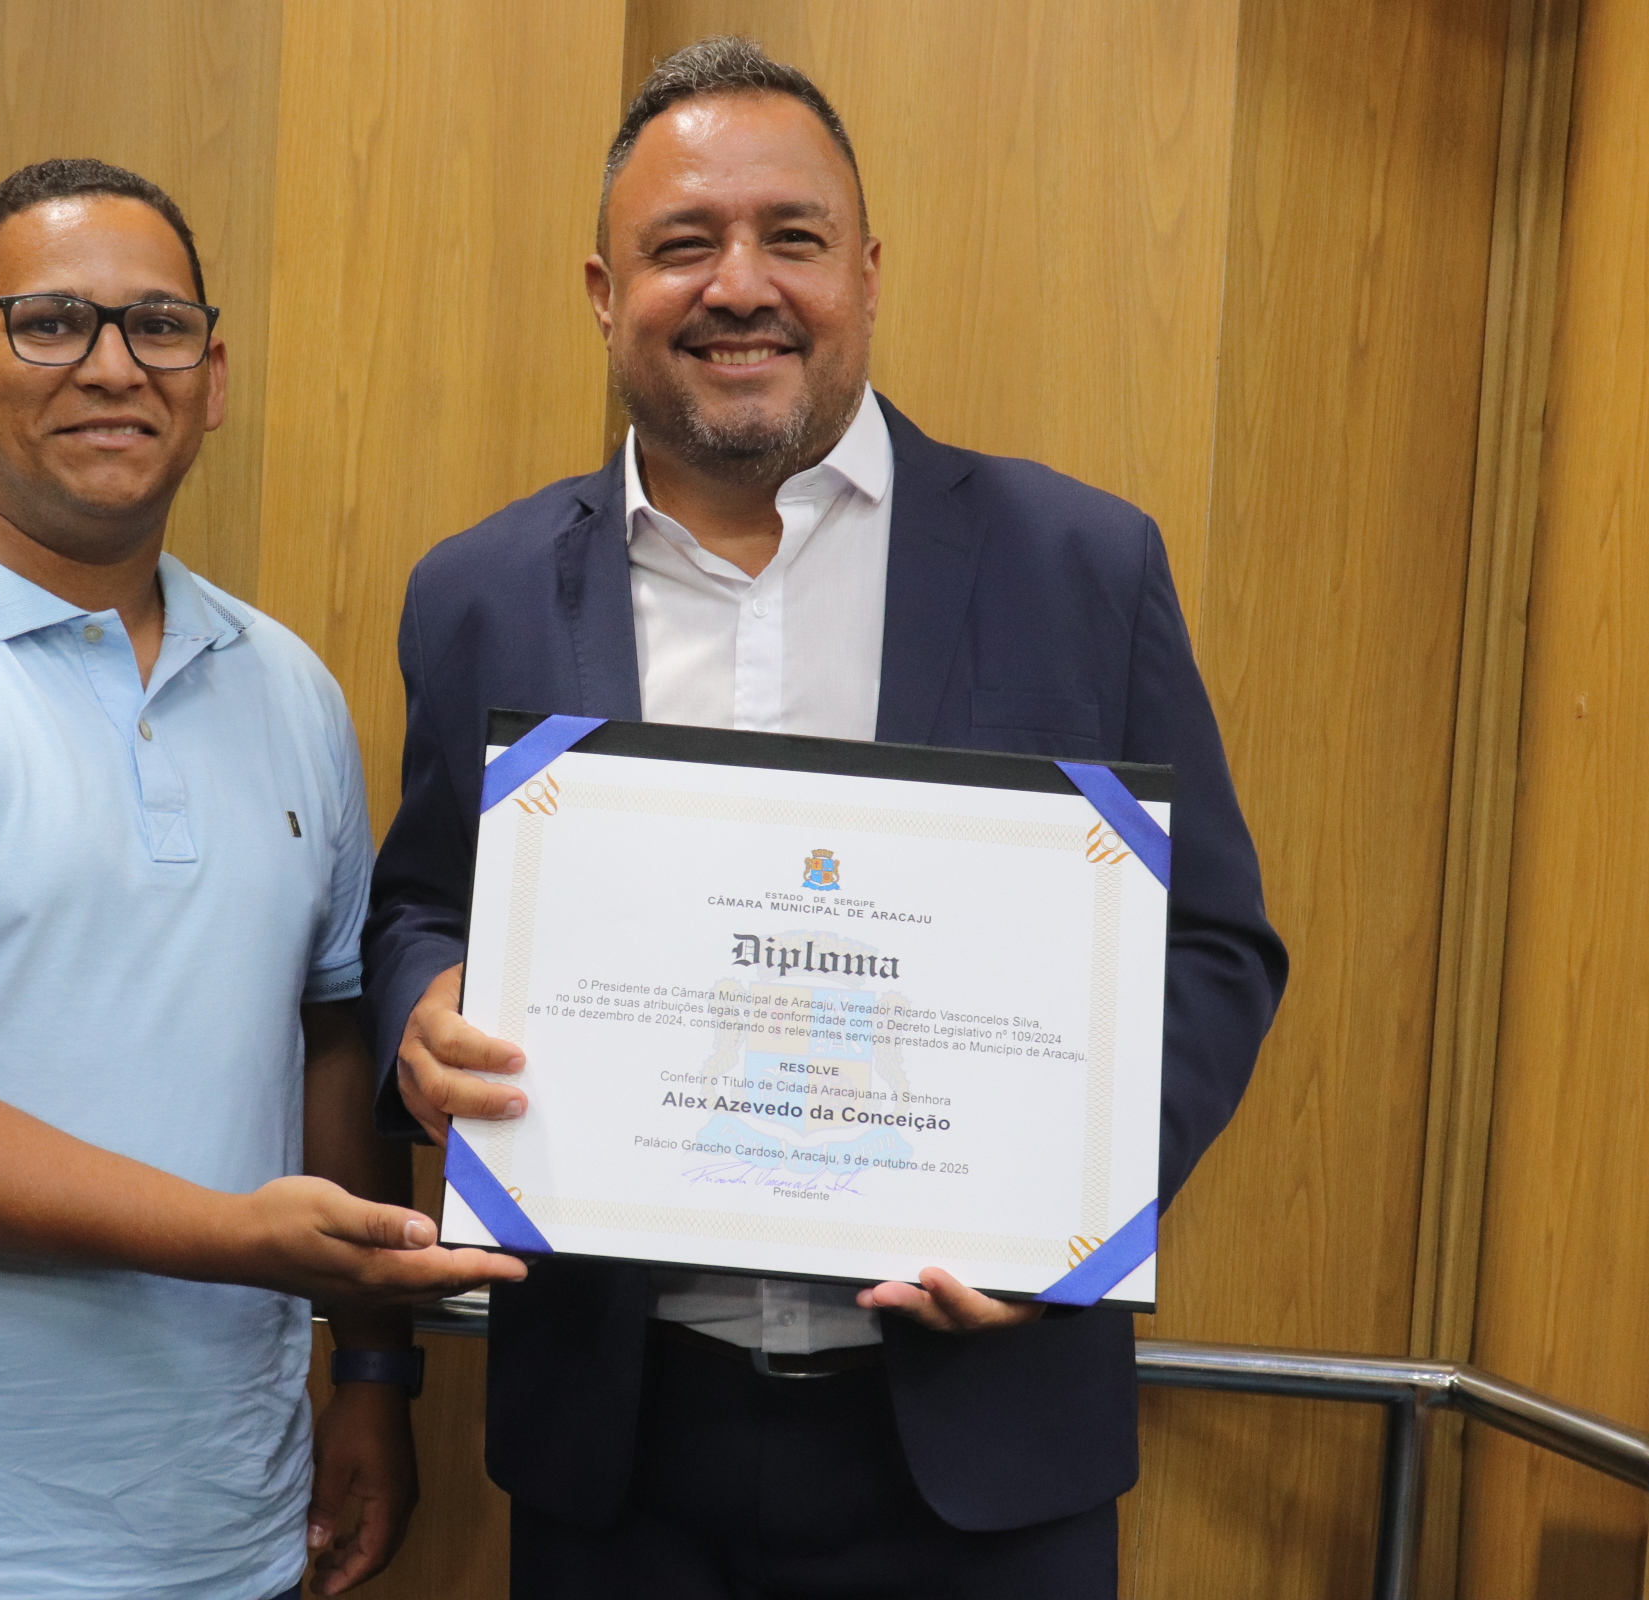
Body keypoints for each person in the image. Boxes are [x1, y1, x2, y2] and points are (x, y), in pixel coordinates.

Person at [364, 39, 1287, 1598]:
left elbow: (1212, 945)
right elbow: (419, 905)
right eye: (683, 243)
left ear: (866, 270)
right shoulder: (483, 593)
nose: (742, 286)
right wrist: (418, 1016)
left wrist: (1070, 1216)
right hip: (621, 1454)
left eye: (791, 237)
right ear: (604, 291)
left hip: (984, 1455)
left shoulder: (1080, 564)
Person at [0, 158, 522, 1600]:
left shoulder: (288, 688)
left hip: (225, 1531)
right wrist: (236, 1240)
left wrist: (375, 1372)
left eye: (160, 327)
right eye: (52, 322)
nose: (114, 368)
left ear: (213, 380)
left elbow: (328, 1040)